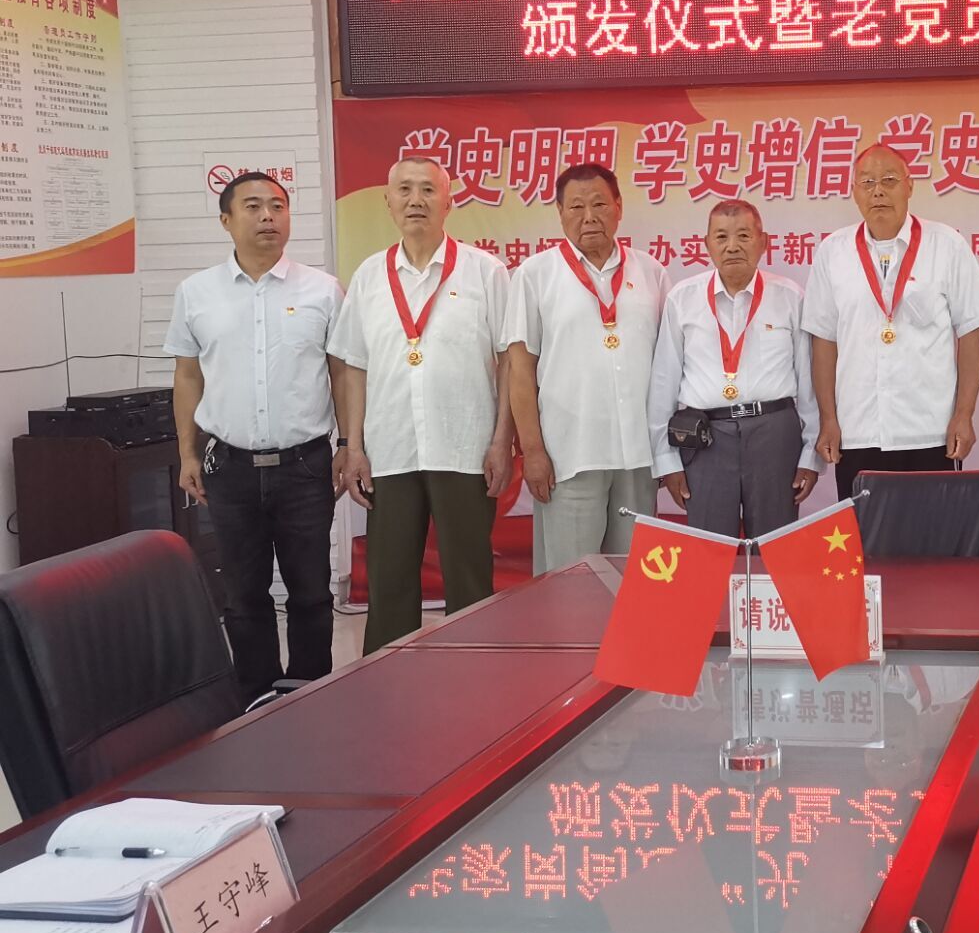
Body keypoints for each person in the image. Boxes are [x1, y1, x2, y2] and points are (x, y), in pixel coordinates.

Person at [165, 172, 344, 703]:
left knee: (311, 591)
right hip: (230, 467)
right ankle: (255, 695)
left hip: (305, 465)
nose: (268, 216)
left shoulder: (322, 290)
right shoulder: (196, 293)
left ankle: (310, 691)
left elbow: (341, 373)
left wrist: (347, 446)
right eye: (253, 206)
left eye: (278, 205)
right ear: (226, 220)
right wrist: (186, 452)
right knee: (243, 594)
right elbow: (187, 376)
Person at [330, 157, 513, 652]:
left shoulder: (485, 272)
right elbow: (353, 366)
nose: (416, 200)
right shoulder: (369, 276)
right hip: (389, 450)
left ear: (449, 202)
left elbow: (509, 363)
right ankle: (389, 685)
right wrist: (353, 446)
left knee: (469, 578)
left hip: (465, 448)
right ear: (388, 202)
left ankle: (475, 676)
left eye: (428, 190)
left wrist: (503, 441)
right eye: (405, 190)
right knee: (389, 580)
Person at [803, 144, 979, 499]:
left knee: (934, 532)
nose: (878, 191)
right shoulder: (833, 251)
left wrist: (964, 414)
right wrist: (828, 419)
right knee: (867, 533)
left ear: (910, 186)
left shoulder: (946, 244)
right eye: (867, 182)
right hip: (858, 431)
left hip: (932, 431)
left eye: (889, 180)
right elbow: (824, 342)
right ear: (854, 192)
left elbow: (971, 333)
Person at [505, 163, 670, 574]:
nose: (589, 216)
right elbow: (520, 371)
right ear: (560, 213)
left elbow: (671, 365)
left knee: (634, 577)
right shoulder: (535, 275)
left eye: (599, 204)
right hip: (569, 454)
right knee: (570, 580)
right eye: (576, 207)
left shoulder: (651, 272)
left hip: (638, 455)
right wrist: (533, 451)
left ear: (619, 207)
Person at [650, 199, 821, 536]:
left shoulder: (790, 297)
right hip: (705, 439)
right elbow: (662, 384)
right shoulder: (682, 299)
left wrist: (810, 455)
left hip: (774, 434)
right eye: (721, 237)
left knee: (774, 547)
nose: (732, 247)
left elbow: (809, 382)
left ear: (763, 242)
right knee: (710, 550)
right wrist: (666, 460)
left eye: (743, 236)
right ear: (706, 244)